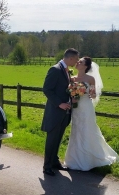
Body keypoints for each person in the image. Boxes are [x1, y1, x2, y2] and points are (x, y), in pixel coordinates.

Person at [64, 57, 119, 171]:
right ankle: (74, 159)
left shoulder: (90, 79)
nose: (77, 63)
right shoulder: (72, 78)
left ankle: (90, 158)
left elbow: (94, 94)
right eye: (78, 61)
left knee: (88, 129)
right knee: (76, 130)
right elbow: (69, 93)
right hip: (76, 108)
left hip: (86, 107)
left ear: (85, 66)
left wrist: (91, 94)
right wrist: (73, 97)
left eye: (80, 62)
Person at [41, 48, 79, 176]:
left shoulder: (67, 71)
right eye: (76, 59)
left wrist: (72, 99)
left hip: (65, 113)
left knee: (58, 138)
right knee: (52, 139)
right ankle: (47, 166)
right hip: (55, 112)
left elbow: (64, 90)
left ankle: (55, 162)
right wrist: (59, 103)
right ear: (71, 58)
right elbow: (47, 89)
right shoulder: (55, 69)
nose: (77, 62)